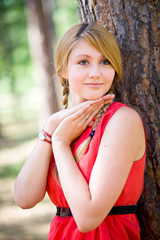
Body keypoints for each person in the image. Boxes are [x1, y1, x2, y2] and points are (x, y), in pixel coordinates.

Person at [14, 22, 146, 240]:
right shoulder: (60, 127)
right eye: (83, 62)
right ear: (64, 70)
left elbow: (87, 219)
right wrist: (50, 128)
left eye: (105, 62)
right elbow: (24, 198)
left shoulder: (122, 120)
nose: (95, 73)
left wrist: (60, 144)